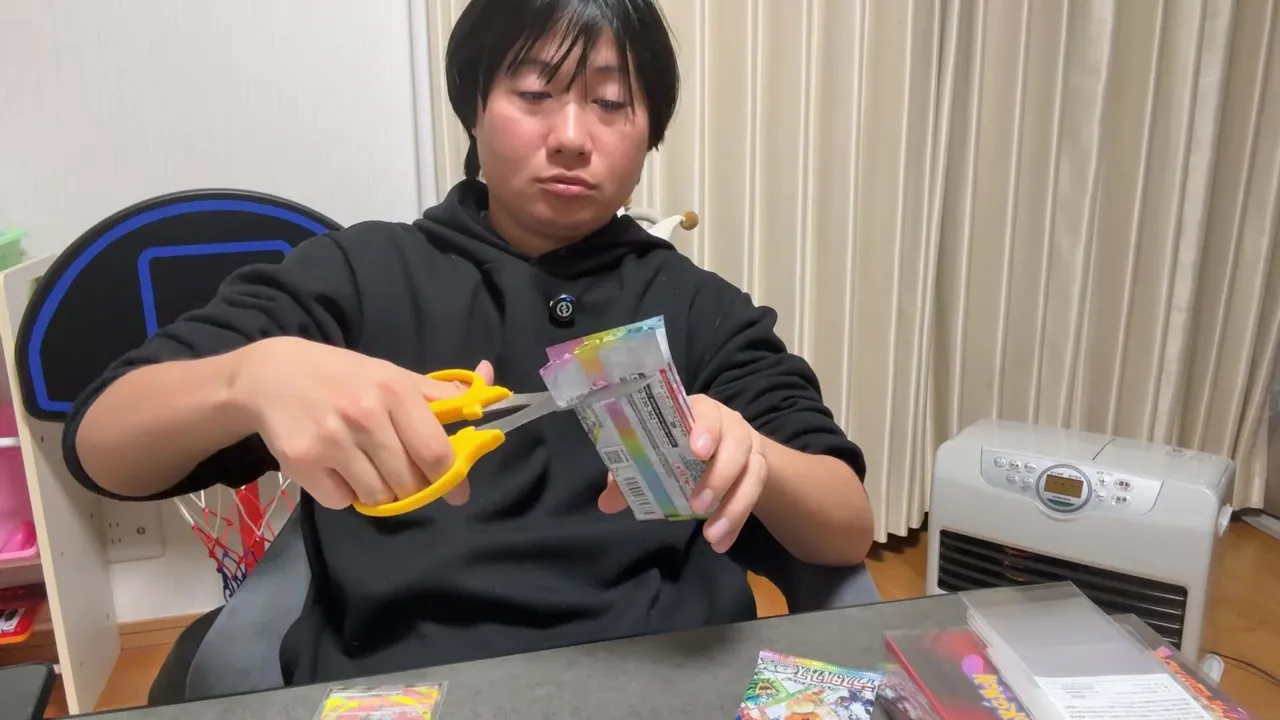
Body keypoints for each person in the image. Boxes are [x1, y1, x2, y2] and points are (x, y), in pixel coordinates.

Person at [64, 0, 875, 700]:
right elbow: (103, 446)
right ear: (474, 106)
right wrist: (251, 376)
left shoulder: (699, 306)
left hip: (665, 683)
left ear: (649, 133)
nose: (571, 136)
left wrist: (752, 454)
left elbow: (844, 528)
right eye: (534, 93)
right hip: (406, 690)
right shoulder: (360, 273)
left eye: (611, 103)